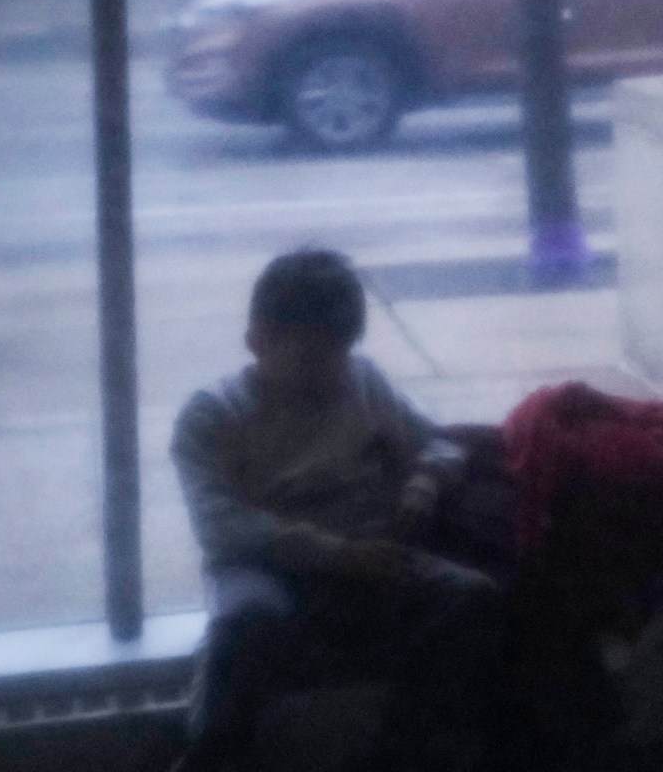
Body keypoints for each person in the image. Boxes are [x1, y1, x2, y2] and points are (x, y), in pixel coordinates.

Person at [171, 249, 503, 772]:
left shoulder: (362, 380)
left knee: (474, 600)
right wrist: (339, 554)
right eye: (310, 357)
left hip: (373, 555)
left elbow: (438, 445)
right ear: (258, 340)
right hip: (273, 564)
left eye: (339, 354)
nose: (328, 374)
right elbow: (222, 527)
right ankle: (209, 756)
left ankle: (404, 748)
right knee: (242, 630)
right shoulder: (213, 415)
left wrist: (423, 482)